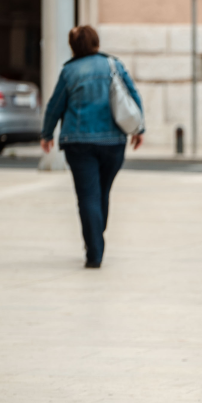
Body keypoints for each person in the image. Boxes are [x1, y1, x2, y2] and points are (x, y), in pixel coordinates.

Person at [40, 25, 144, 269]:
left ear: (73, 47)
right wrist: (139, 129)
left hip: (78, 143)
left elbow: (55, 105)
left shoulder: (69, 71)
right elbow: (132, 96)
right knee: (102, 193)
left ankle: (94, 250)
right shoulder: (113, 65)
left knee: (88, 196)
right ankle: (96, 238)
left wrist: (47, 134)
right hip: (113, 142)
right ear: (96, 42)